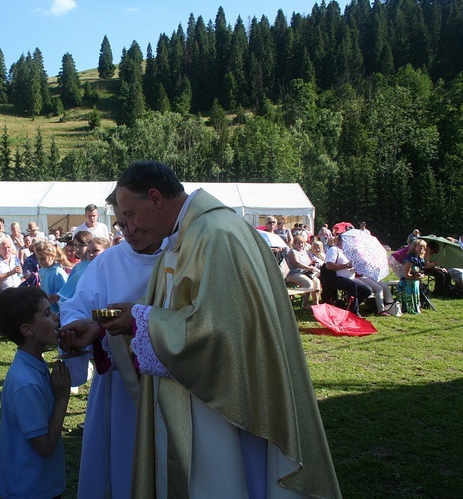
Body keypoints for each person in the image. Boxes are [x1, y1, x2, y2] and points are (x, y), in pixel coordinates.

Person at [58, 161, 340, 497]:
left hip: (226, 403)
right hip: (201, 394)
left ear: (155, 198)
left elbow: (222, 329)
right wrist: (126, 321)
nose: (128, 227)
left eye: (131, 215)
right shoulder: (187, 236)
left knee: (231, 480)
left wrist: (139, 319)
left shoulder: (215, 236)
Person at [60, 189, 164, 498]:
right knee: (120, 461)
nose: (129, 231)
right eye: (121, 224)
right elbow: (74, 305)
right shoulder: (108, 262)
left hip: (169, 385)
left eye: (135, 221)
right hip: (119, 388)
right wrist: (81, 327)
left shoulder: (179, 256)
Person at [0, 287, 71, 499]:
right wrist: (62, 398)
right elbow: (44, 447)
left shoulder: (34, 364)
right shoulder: (25, 383)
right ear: (28, 330)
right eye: (47, 313)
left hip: (37, 484)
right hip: (28, 489)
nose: (56, 317)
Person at [324, 233, 373, 317]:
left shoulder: (348, 251)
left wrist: (354, 267)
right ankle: (354, 313)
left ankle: (348, 306)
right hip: (337, 278)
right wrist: (346, 266)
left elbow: (351, 264)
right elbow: (328, 266)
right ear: (340, 240)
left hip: (350, 277)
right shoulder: (333, 250)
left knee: (367, 290)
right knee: (352, 285)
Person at [286, 235, 321, 308]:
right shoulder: (292, 251)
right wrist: (308, 268)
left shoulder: (304, 252)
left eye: (302, 243)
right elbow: (296, 263)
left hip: (305, 273)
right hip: (294, 273)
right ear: (294, 243)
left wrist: (312, 264)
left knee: (317, 282)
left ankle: (315, 303)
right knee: (309, 284)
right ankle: (305, 304)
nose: (301, 245)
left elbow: (308, 262)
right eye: (299, 243)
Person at [36, 241, 70, 313]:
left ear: (52, 256)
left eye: (43, 259)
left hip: (59, 312)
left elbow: (66, 294)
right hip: (48, 309)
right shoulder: (42, 271)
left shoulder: (58, 273)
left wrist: (56, 297)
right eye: (38, 259)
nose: (40, 262)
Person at [397, 239, 427, 314]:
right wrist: (416, 277)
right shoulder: (410, 259)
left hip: (415, 283)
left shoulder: (419, 259)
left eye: (423, 247)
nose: (422, 249)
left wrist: (421, 275)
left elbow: (420, 271)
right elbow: (407, 275)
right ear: (414, 247)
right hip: (407, 285)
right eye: (420, 246)